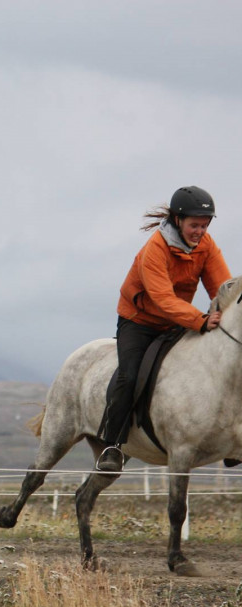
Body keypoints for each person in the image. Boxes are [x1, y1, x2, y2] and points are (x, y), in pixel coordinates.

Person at [96, 185, 231, 473]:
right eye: (195, 224)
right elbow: (163, 298)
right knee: (128, 374)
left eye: (205, 225)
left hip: (176, 321)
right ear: (178, 220)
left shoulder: (206, 245)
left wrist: (228, 313)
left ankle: (231, 439)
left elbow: (222, 288)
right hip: (140, 321)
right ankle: (112, 445)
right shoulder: (154, 249)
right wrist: (201, 320)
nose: (200, 231)